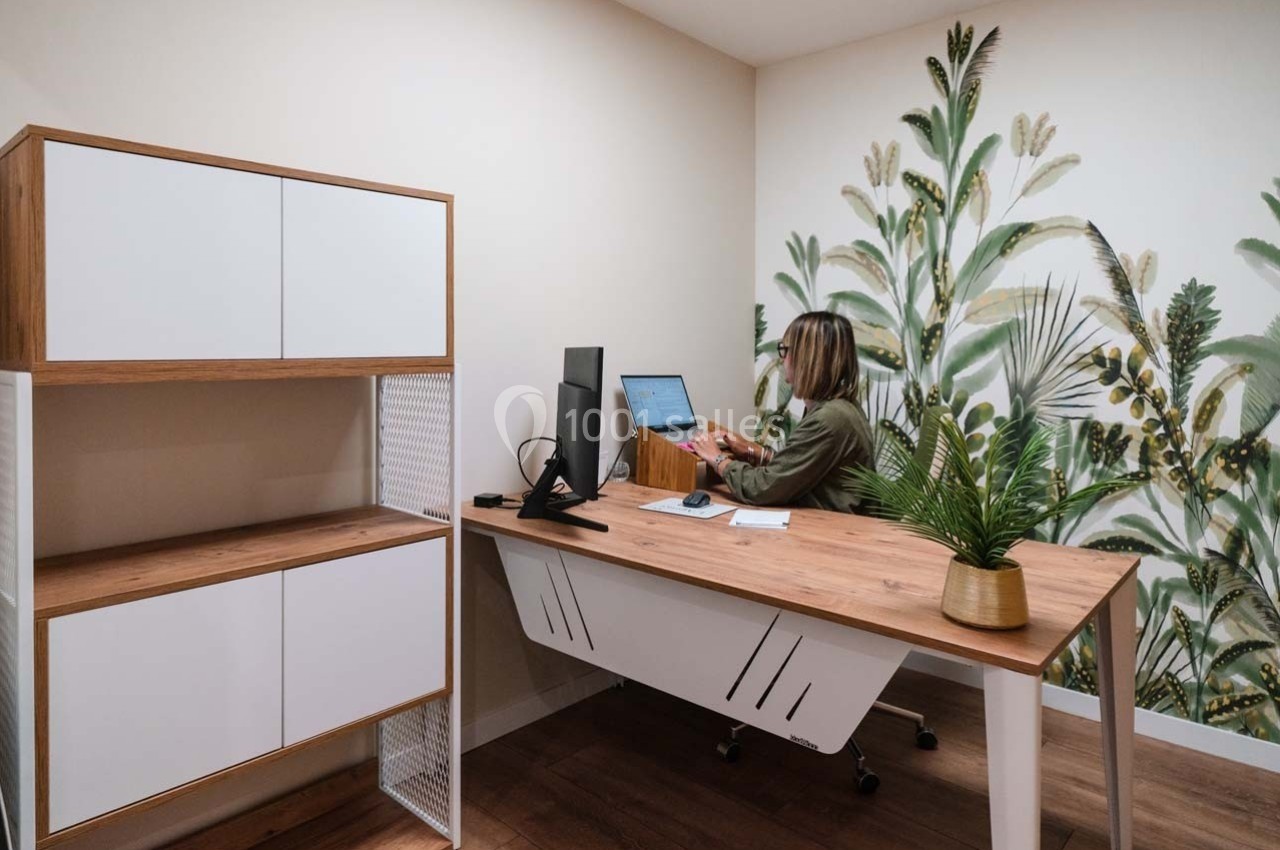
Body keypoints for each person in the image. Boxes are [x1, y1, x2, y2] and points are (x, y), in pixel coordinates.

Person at [689, 310, 875, 513]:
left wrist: (716, 458)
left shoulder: (829, 418)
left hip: (834, 532)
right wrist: (758, 453)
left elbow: (762, 488)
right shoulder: (843, 407)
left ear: (806, 358)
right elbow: (804, 469)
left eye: (785, 350)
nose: (782, 359)